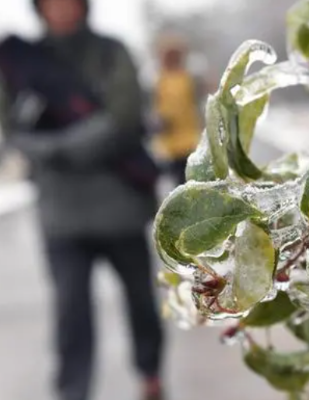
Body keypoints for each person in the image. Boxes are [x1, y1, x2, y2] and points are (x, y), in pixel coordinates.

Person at [0, 1, 164, 399]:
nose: (61, 9)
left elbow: (124, 116)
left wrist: (63, 148)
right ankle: (72, 390)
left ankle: (150, 374)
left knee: (142, 301)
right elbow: (12, 128)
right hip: (61, 212)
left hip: (120, 203)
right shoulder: (20, 60)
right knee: (71, 312)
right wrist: (57, 149)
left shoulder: (111, 51)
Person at [153, 33, 201, 185]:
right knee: (180, 181)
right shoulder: (160, 79)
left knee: (191, 180)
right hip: (171, 141)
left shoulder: (188, 77)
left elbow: (196, 102)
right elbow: (157, 106)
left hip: (189, 138)